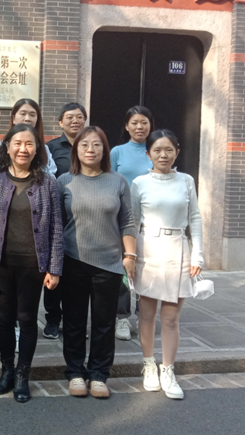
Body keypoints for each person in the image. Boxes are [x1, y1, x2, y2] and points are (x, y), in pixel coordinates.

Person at [0, 124, 64, 402]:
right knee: (4, 320)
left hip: (33, 264)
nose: (23, 149)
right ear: (7, 146)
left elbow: (56, 227)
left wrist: (54, 268)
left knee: (27, 320)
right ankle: (6, 372)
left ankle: (22, 375)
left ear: (37, 149)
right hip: (0, 263)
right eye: (17, 143)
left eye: (29, 144)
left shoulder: (47, 182)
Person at [57, 126, 136, 399]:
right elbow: (57, 225)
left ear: (105, 149)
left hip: (109, 263)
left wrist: (130, 256)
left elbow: (127, 221)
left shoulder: (118, 182)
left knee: (104, 323)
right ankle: (75, 372)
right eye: (84, 145)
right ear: (76, 149)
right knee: (74, 321)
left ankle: (99, 374)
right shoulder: (64, 181)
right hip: (73, 261)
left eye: (96, 145)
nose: (90, 150)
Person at [131, 130, 203, 400]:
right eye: (157, 150)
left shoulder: (186, 181)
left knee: (171, 318)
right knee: (147, 315)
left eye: (169, 150)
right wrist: (130, 256)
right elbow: (132, 222)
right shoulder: (139, 183)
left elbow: (195, 218)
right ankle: (149, 364)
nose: (163, 155)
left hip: (178, 249)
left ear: (177, 152)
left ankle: (168, 369)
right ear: (148, 154)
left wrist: (198, 255)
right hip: (148, 249)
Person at [110, 106, 156, 341]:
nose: (140, 127)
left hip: (151, 221)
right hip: (122, 219)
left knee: (147, 269)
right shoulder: (117, 152)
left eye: (144, 122)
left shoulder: (155, 150)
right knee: (122, 268)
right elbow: (108, 182)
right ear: (127, 126)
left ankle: (144, 315)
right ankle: (122, 317)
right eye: (135, 122)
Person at [42, 102, 87, 340]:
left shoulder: (90, 145)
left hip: (84, 215)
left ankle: (74, 321)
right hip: (58, 214)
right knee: (55, 267)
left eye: (79, 117)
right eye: (70, 117)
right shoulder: (51, 147)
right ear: (61, 122)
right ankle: (52, 319)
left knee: (78, 275)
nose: (75, 121)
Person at [0, 99, 57, 177]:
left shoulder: (44, 149)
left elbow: (51, 174)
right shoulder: (0, 147)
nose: (27, 118)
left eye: (32, 115)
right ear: (13, 119)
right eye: (23, 114)